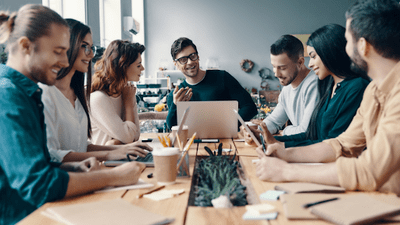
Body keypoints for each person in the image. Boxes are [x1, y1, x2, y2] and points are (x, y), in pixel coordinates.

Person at [0, 5, 145, 224]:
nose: (66, 62)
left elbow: (37, 164)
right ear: (26, 47)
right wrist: (114, 176)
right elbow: (39, 185)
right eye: (58, 51)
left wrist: (70, 166)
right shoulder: (8, 97)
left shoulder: (26, 93)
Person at [255, 0, 400, 195]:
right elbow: (341, 144)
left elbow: (370, 170)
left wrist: (288, 170)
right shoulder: (374, 90)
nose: (345, 48)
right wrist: (286, 153)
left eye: (348, 41)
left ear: (363, 46)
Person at [39, 19, 151, 163]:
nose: (91, 54)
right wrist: (111, 153)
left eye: (91, 48)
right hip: (69, 179)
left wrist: (122, 150)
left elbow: (82, 146)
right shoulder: (46, 93)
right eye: (84, 46)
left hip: (87, 172)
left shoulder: (77, 94)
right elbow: (52, 155)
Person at [249, 24, 370, 148]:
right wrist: (270, 138)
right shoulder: (329, 85)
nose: (310, 64)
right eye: (274, 67)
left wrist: (282, 144)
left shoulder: (355, 87)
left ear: (329, 53)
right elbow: (313, 135)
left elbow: (333, 144)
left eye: (313, 56)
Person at [166, 37, 257, 129]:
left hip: (226, 141)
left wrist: (230, 126)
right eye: (183, 60)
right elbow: (172, 127)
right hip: (192, 142)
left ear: (198, 57)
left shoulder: (222, 77)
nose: (190, 62)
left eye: (193, 56)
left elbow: (249, 107)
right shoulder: (176, 96)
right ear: (176, 64)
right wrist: (175, 105)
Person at [243, 35, 319, 141]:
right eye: (274, 66)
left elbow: (306, 131)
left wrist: (285, 131)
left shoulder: (314, 84)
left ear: (300, 62)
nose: (276, 74)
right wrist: (258, 131)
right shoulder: (287, 88)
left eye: (282, 68)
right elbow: (274, 121)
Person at [90, 40, 144, 145]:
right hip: (103, 160)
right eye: (138, 65)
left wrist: (116, 141)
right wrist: (128, 103)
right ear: (123, 67)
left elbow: (135, 135)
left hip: (123, 157)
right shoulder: (99, 98)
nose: (142, 69)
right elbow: (129, 137)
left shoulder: (126, 92)